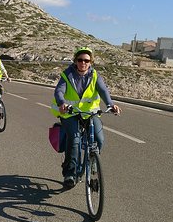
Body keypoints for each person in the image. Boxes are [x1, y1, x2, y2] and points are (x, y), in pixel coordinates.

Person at [51, 46, 121, 188]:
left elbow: (103, 91)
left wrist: (111, 104)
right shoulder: (67, 75)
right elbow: (59, 91)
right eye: (80, 60)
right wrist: (62, 103)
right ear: (75, 61)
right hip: (71, 113)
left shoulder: (95, 76)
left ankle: (93, 160)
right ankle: (70, 173)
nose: (83, 63)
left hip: (90, 113)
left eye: (86, 60)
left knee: (99, 139)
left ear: (91, 62)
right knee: (75, 140)